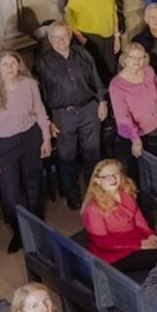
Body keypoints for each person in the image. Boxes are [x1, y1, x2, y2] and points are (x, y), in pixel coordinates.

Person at [0, 52, 51, 254]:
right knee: (10, 193)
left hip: (30, 137)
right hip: (4, 144)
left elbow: (39, 110)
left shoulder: (29, 83)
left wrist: (46, 137)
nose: (10, 67)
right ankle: (20, 233)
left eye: (13, 63)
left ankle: (39, 230)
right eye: (5, 64)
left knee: (33, 186)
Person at [35, 22, 108, 211]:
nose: (60, 41)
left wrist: (102, 101)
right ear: (50, 40)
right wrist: (48, 122)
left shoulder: (82, 53)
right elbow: (40, 95)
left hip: (89, 110)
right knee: (67, 157)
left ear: (70, 36)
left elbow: (95, 77)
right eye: (56, 37)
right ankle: (72, 195)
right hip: (62, 115)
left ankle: (96, 192)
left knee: (93, 153)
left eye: (64, 36)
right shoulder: (42, 63)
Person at [81, 159, 157, 279]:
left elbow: (138, 219)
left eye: (115, 174)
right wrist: (140, 244)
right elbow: (104, 244)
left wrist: (150, 234)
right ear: (97, 181)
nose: (112, 179)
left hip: (137, 241)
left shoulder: (125, 191)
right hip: (114, 255)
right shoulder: (92, 209)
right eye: (106, 176)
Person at [110, 43, 157, 212]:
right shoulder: (117, 85)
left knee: (154, 166)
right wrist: (135, 139)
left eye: (141, 57)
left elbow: (156, 87)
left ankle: (156, 201)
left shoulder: (148, 71)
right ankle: (138, 207)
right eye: (133, 57)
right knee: (136, 174)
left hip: (155, 126)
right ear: (124, 59)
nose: (137, 61)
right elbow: (123, 116)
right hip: (135, 137)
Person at [64, 0, 120, 80]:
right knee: (95, 73)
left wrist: (116, 36)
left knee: (111, 71)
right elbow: (70, 22)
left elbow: (113, 14)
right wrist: (83, 40)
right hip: (91, 38)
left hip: (109, 37)